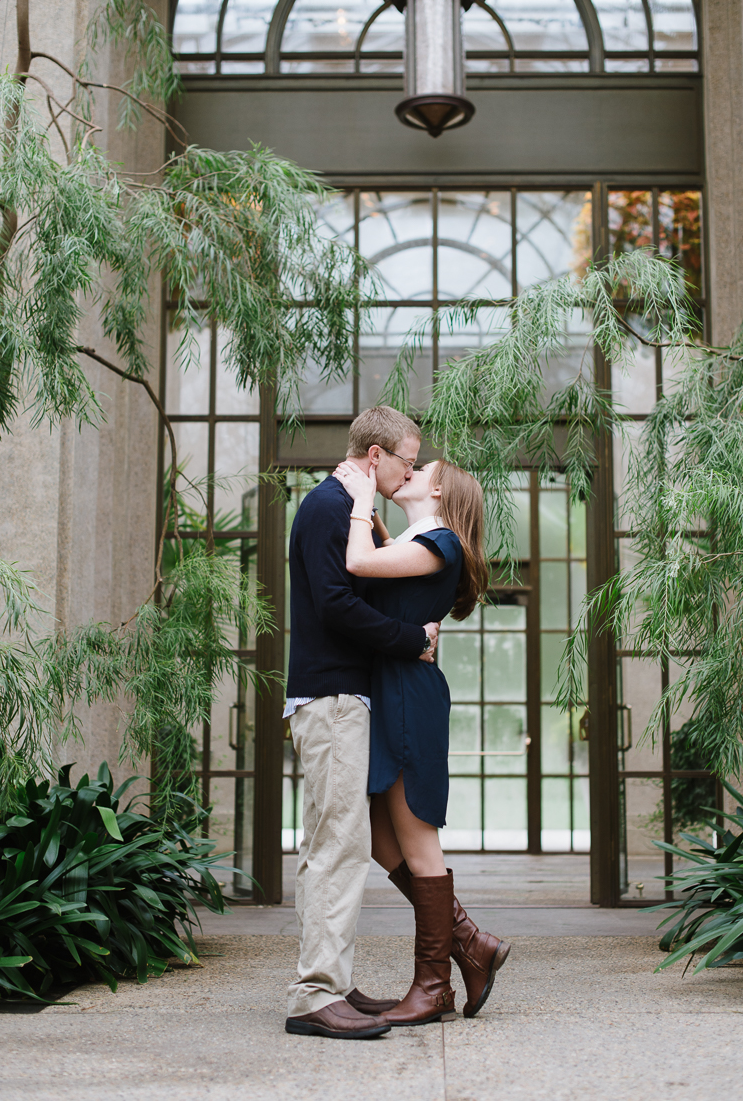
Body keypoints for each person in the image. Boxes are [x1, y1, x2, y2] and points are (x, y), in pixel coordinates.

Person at [333, 455, 511, 1025]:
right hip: (392, 693)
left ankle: (433, 987)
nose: (405, 472)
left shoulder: (441, 542)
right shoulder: (421, 538)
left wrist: (362, 501)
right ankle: (469, 942)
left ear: (439, 488)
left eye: (420, 468)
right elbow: (384, 565)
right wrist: (381, 521)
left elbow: (359, 562)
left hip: (408, 698)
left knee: (417, 842)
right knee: (379, 836)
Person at [283, 406, 440, 1040]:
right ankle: (314, 995)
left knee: (340, 842)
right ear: (376, 456)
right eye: (407, 458)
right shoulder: (326, 506)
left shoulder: (341, 505)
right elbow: (338, 605)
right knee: (336, 846)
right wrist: (411, 639)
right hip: (332, 701)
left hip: (342, 700)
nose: (410, 470)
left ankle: (334, 984)